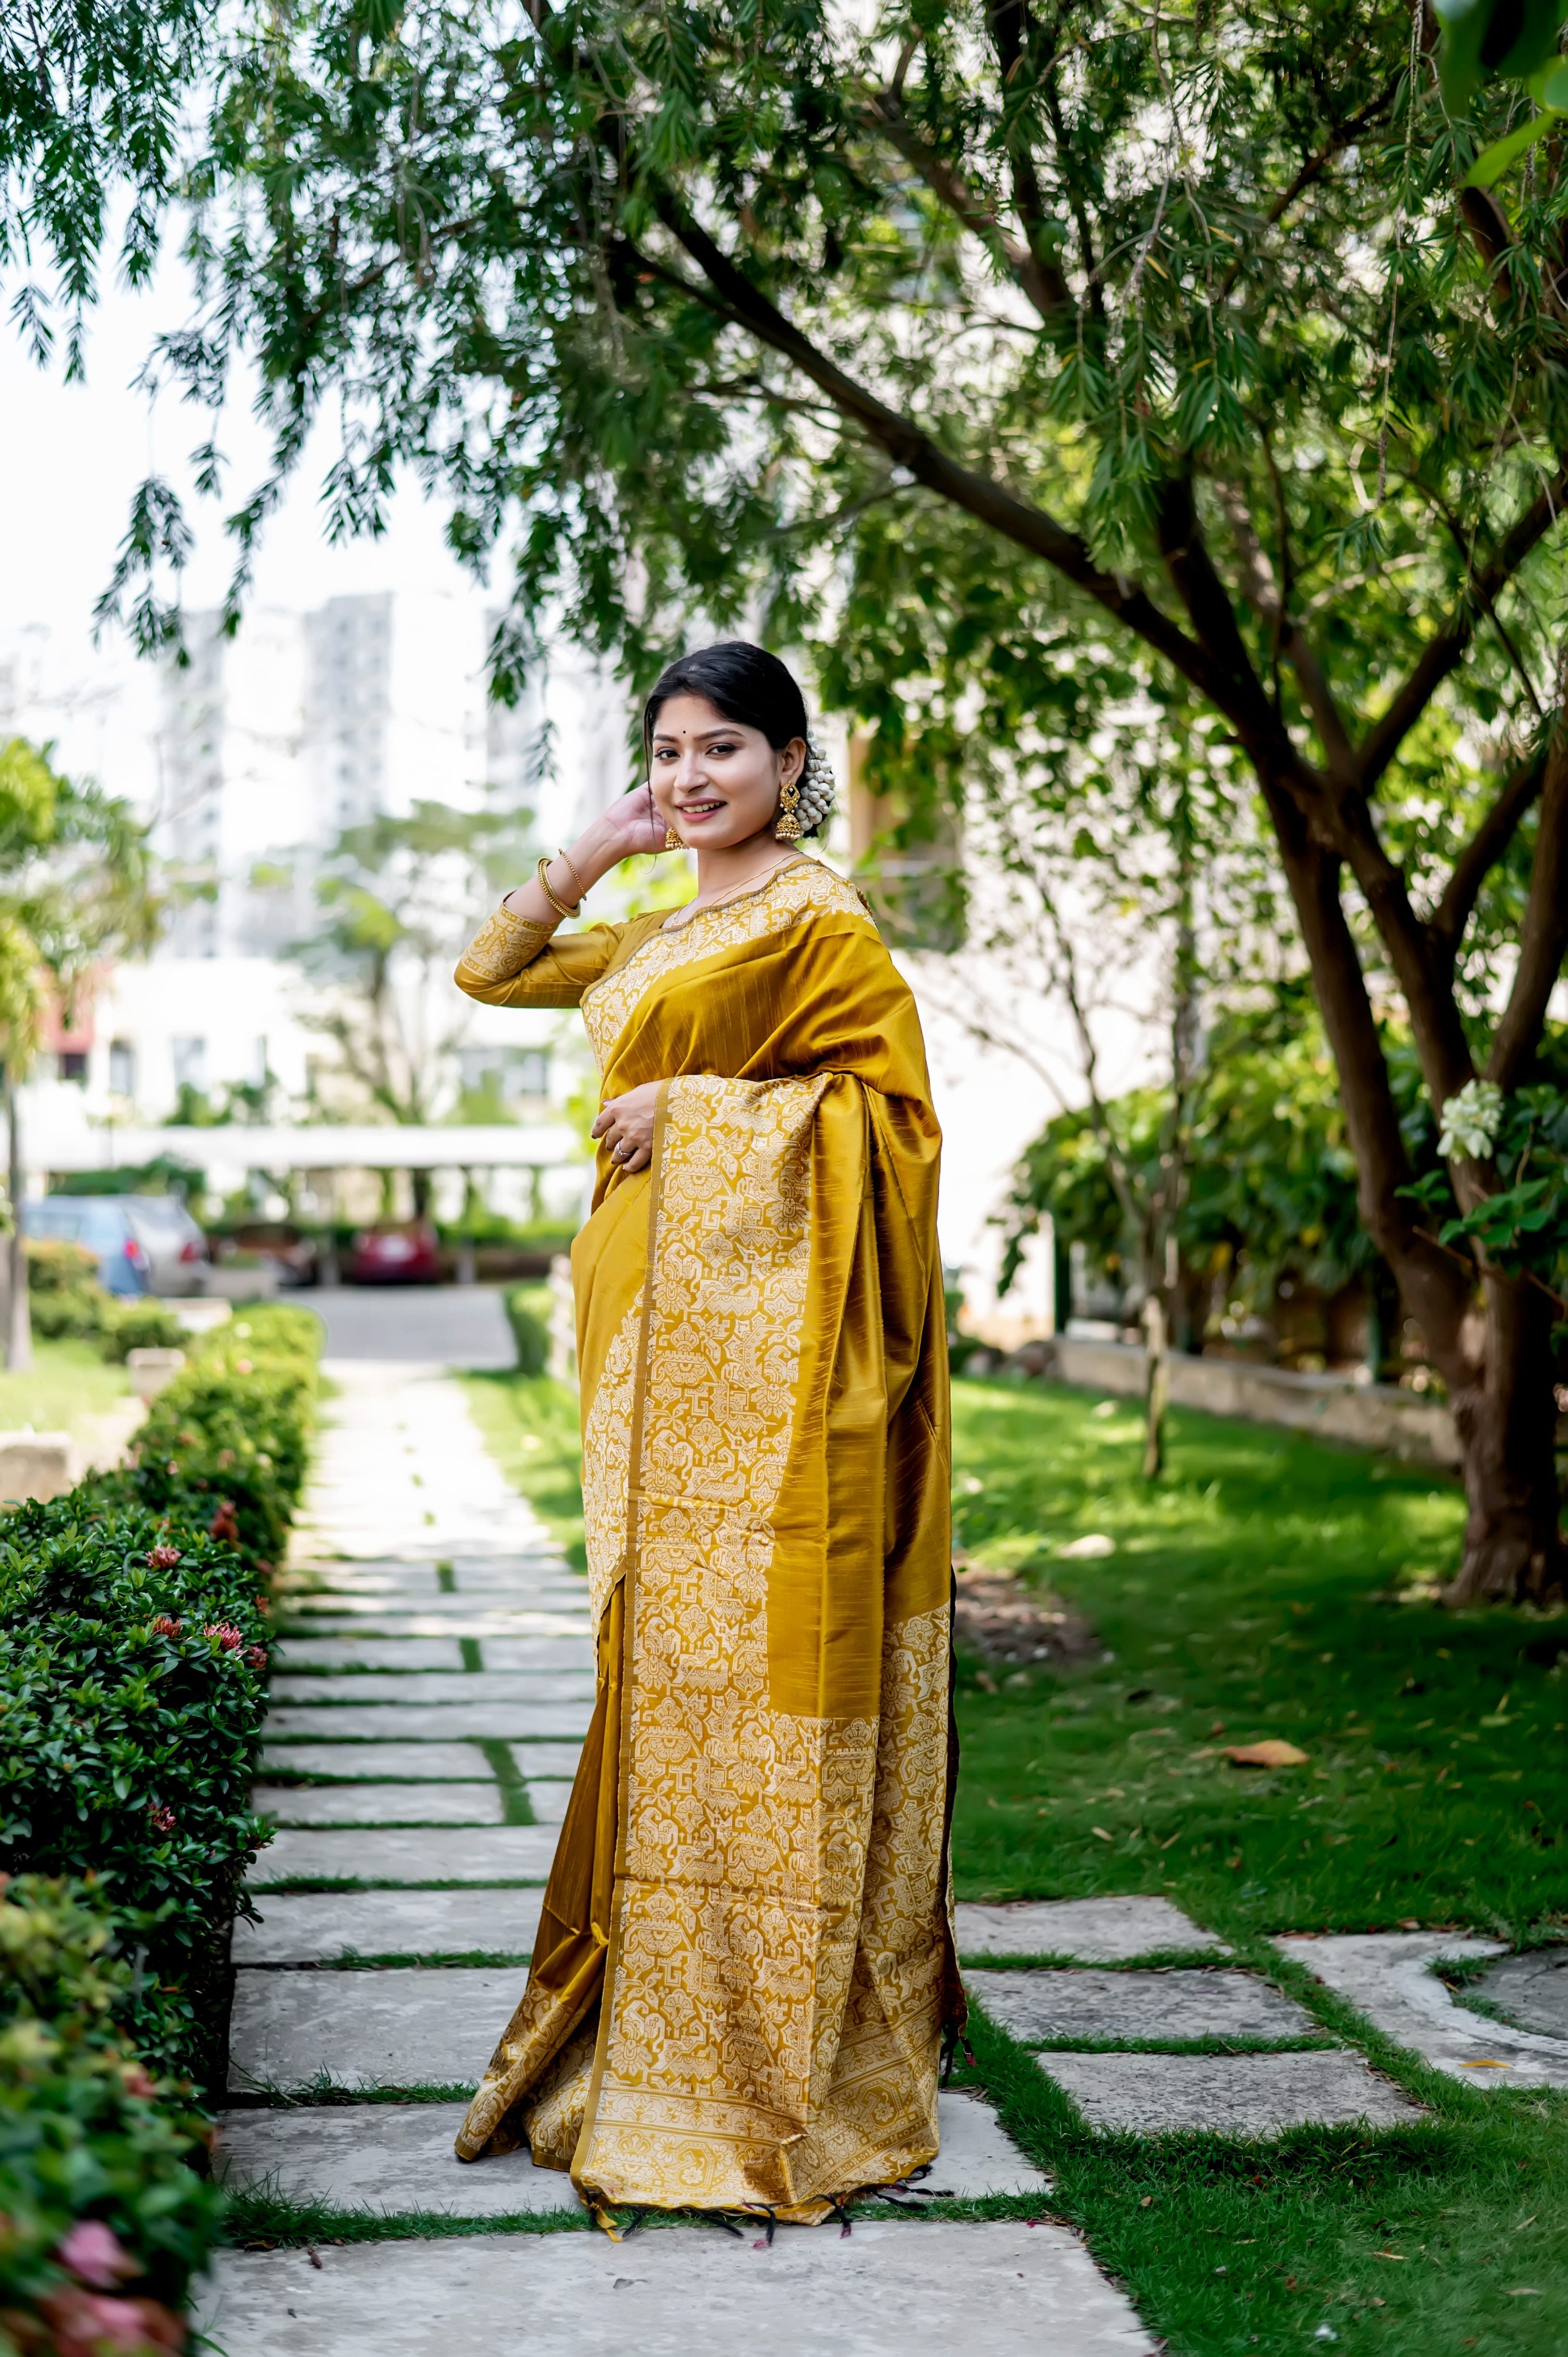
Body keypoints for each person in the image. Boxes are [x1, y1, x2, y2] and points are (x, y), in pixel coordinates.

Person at [450, 640, 961, 2229]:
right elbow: (490, 969)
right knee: (662, 1670)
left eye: (721, 749)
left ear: (792, 758)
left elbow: (894, 1132)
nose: (689, 777)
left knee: (769, 1680)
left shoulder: (827, 922)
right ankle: (655, 2014)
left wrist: (704, 1112)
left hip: (792, 1391)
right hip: (647, 1370)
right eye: (665, 751)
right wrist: (596, 847)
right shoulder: (667, 920)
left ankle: (768, 2043)